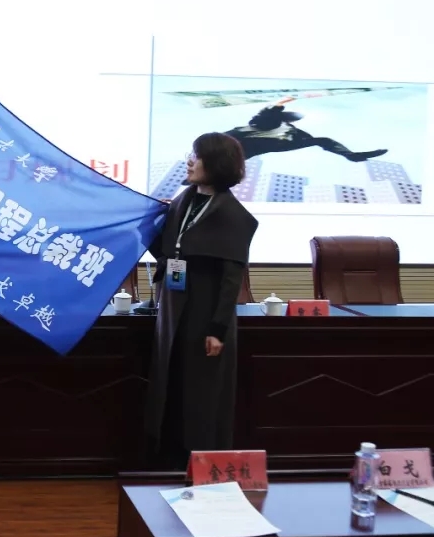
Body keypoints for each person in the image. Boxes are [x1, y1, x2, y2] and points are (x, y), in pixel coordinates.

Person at [145, 132, 258, 471]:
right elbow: (168, 250)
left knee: (201, 393)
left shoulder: (234, 215)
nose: (189, 161)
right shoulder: (183, 200)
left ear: (217, 163)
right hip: (172, 310)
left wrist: (217, 329)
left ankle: (200, 463)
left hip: (205, 315)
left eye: (196, 156)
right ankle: (165, 457)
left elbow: (230, 280)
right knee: (170, 383)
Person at [225, 103, 387, 163]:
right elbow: (262, 117)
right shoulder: (269, 119)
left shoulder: (293, 130)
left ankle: (352, 156)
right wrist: (278, 106)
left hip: (271, 145)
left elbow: (313, 140)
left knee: (323, 140)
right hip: (243, 141)